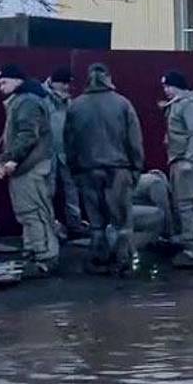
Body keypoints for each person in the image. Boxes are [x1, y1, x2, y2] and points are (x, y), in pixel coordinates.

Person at [65, 62, 145, 275]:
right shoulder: (122, 104)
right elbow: (134, 141)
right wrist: (136, 168)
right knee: (122, 223)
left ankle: (98, 261)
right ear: (108, 78)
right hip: (118, 170)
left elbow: (69, 143)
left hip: (87, 170)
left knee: (97, 223)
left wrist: (74, 170)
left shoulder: (75, 106)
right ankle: (124, 263)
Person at [0, 64, 57, 278]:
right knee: (28, 213)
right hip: (27, 166)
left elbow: (27, 135)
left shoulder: (26, 101)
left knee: (34, 212)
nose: (1, 87)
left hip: (30, 167)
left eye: (4, 82)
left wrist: (11, 158)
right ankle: (34, 252)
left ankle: (45, 256)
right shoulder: (23, 100)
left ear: (17, 81)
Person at [161, 70, 193, 268]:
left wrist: (189, 159)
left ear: (175, 86)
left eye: (167, 86)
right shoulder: (178, 105)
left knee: (187, 205)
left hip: (186, 163)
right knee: (184, 206)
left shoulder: (189, 106)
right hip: (179, 160)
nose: (165, 91)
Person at [44, 66, 84, 238]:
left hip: (65, 151)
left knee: (72, 189)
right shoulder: (42, 98)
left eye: (69, 84)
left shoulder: (68, 102)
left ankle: (75, 224)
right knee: (48, 190)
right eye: (64, 83)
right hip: (47, 152)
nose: (67, 87)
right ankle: (48, 225)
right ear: (54, 82)